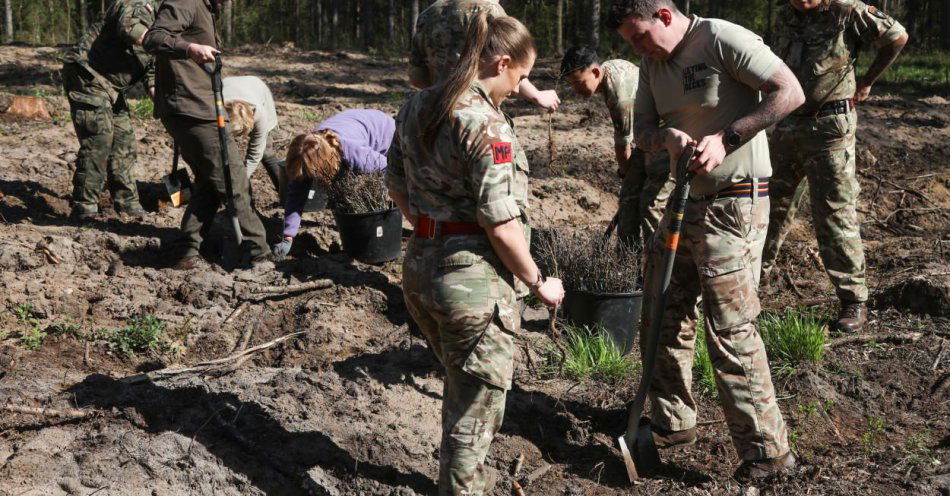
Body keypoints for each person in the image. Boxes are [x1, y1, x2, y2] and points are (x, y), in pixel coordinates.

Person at [607, 0, 806, 481]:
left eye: (640, 35)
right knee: (660, 307)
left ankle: (768, 453)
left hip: (735, 202)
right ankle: (674, 420)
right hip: (685, 201)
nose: (637, 47)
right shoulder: (651, 64)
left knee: (730, 326)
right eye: (629, 41)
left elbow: (790, 92)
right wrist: (668, 138)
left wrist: (728, 137)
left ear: (665, 15)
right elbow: (644, 131)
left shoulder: (721, 39)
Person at [387, 14, 564, 494]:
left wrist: (432, 226)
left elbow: (395, 182)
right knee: (474, 415)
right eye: (521, 77)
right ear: (502, 62)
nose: (519, 87)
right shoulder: (486, 123)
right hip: (472, 285)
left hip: (422, 269)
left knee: (462, 387)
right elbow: (501, 225)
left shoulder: (416, 104)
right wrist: (537, 282)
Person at [761, 0, 908, 333]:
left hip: (829, 127)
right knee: (768, 207)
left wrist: (867, 80)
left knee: (834, 213)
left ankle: (853, 300)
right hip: (787, 125)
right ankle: (752, 287)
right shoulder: (786, 15)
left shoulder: (847, 11)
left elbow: (897, 36)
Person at [144, 0, 269, 270]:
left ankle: (186, 250)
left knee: (210, 184)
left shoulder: (206, 8)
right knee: (234, 180)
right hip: (191, 110)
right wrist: (189, 48)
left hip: (198, 106)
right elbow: (154, 38)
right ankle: (258, 254)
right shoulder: (185, 1)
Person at [559, 46, 672, 249]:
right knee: (628, 199)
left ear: (595, 72)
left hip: (666, 136)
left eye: (578, 82)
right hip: (646, 136)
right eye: (571, 84)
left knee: (651, 205)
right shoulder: (609, 68)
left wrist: (625, 172)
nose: (576, 90)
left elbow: (623, 144)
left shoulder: (619, 95)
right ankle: (626, 265)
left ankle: (656, 265)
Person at [61, 0, 157, 221]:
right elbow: (130, 28)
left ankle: (128, 203)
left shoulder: (165, 23)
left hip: (112, 86)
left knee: (124, 141)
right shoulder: (139, 4)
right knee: (99, 139)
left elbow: (152, 73)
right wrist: (162, 42)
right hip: (87, 75)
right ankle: (85, 208)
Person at [272, 109, 395, 259]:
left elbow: (390, 170)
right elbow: (296, 195)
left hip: (384, 133)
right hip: (353, 125)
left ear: (324, 165)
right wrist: (288, 236)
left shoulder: (357, 154)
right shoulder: (308, 150)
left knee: (363, 193)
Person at [409, 0, 561, 112]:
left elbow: (417, 77)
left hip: (433, 112)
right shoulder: (489, 10)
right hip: (477, 114)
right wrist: (537, 95)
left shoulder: (427, 14)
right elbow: (508, 68)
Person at [222, 75, 282, 194]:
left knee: (266, 150)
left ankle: (285, 192)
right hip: (227, 86)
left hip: (257, 87)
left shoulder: (259, 114)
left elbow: (255, 153)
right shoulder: (216, 110)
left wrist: (242, 179)